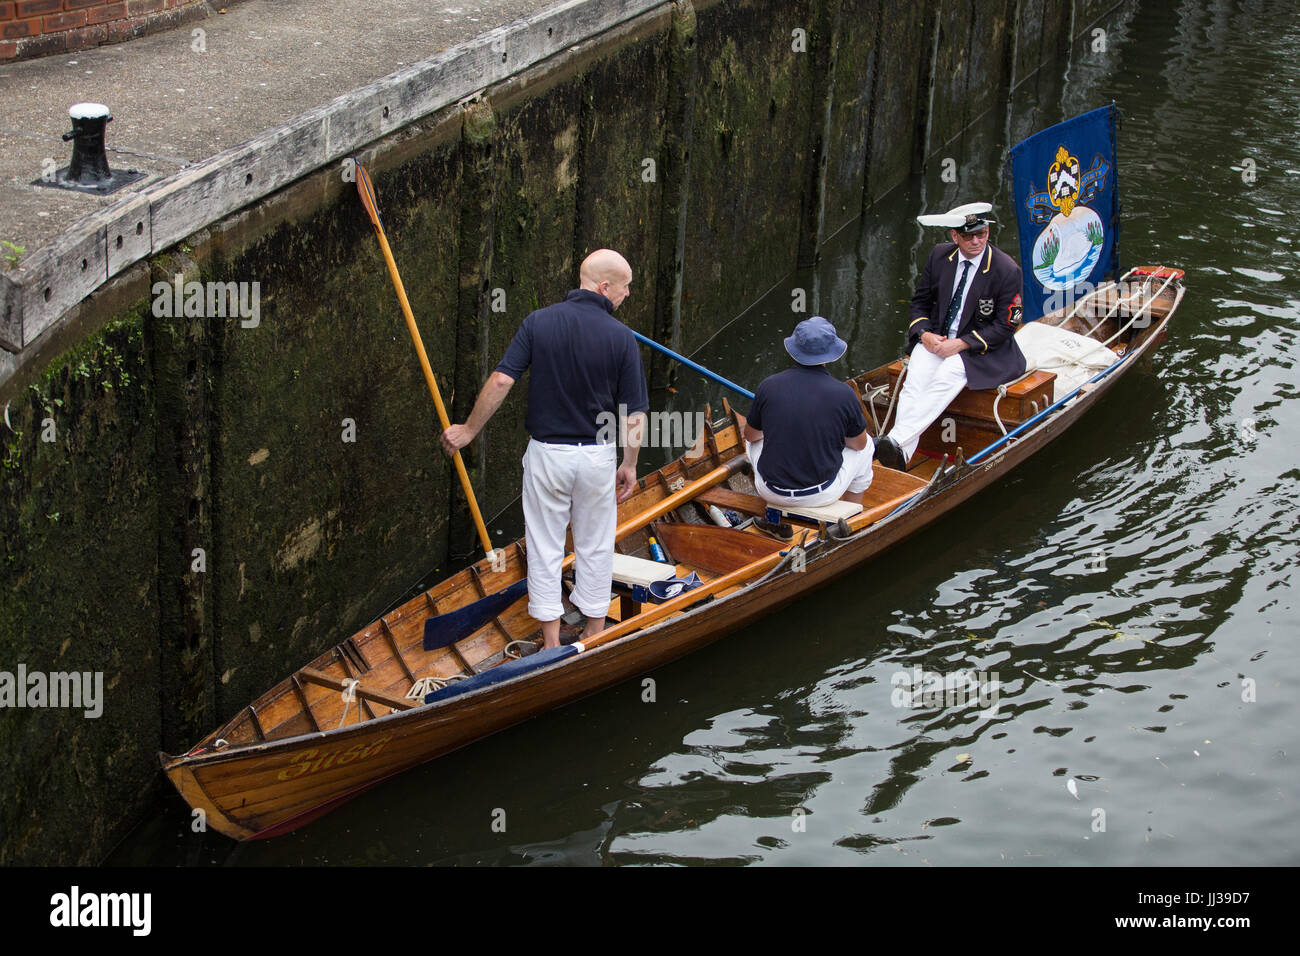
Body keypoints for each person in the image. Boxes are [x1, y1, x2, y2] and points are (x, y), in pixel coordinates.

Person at [441, 249, 648, 650]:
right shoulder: (622, 338)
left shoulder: (539, 322)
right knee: (596, 543)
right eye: (625, 288)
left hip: (547, 456)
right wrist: (630, 464)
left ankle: (552, 641)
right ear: (604, 287)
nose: (627, 296)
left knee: (544, 544)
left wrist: (468, 431)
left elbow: (502, 381)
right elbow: (633, 415)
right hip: (596, 457)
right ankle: (592, 632)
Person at [874, 202, 1027, 470]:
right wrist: (924, 334)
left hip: (981, 350)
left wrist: (963, 343)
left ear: (988, 231)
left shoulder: (1005, 269)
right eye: (968, 236)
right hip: (939, 340)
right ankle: (901, 456)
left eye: (981, 233)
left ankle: (895, 440)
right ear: (954, 236)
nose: (976, 241)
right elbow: (920, 302)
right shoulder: (939, 257)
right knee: (914, 382)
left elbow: (1006, 326)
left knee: (948, 374)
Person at [740, 316, 874, 510]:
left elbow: (751, 436)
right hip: (820, 494)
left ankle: (775, 514)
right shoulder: (844, 394)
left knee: (753, 438)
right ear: (831, 354)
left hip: (769, 490)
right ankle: (852, 516)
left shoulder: (768, 385)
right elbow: (858, 444)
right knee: (868, 445)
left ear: (794, 350)